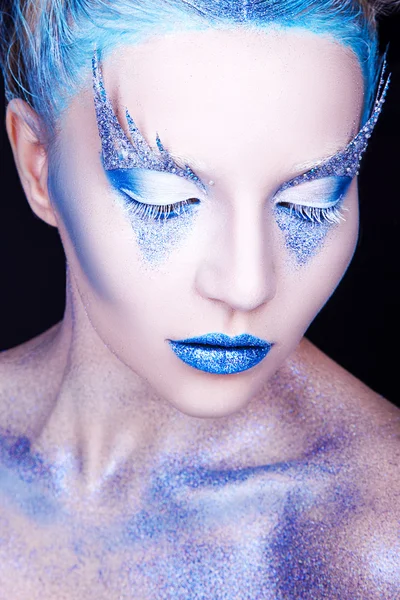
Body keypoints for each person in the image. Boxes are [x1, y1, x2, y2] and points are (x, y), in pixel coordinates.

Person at [0, 0, 399, 597]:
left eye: (310, 201)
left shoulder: (376, 534)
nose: (247, 284)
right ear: (39, 166)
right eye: (165, 201)